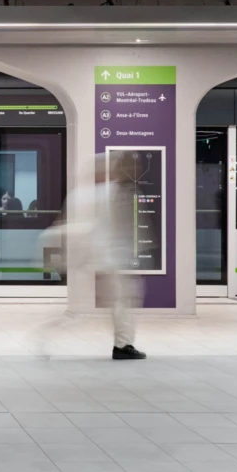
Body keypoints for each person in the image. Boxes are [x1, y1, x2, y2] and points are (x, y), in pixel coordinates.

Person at [54, 154, 146, 360]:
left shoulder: (77, 195)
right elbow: (120, 226)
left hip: (88, 261)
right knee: (125, 300)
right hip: (109, 260)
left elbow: (66, 227)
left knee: (83, 307)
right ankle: (123, 345)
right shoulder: (111, 192)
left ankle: (44, 337)